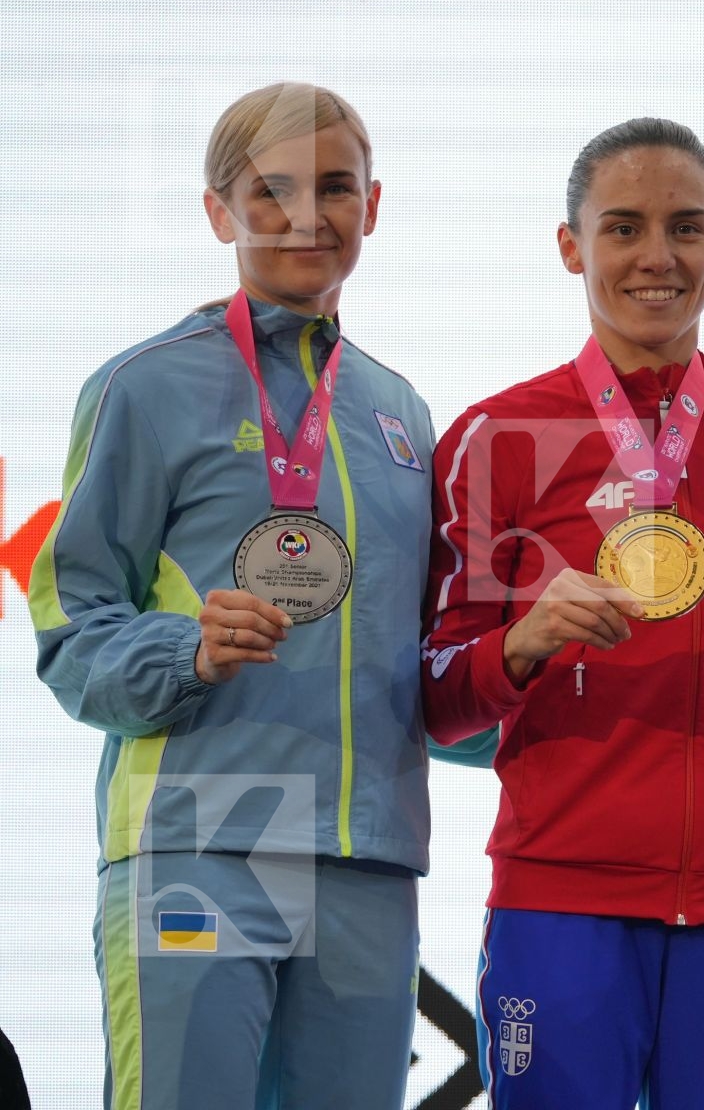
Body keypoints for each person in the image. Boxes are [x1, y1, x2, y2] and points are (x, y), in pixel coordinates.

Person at [31, 82, 437, 1107]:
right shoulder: (144, 385)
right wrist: (188, 652)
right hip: (198, 838)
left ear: (373, 206)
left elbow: (418, 656)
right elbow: (70, 626)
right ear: (220, 212)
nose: (308, 215)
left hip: (366, 857)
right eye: (272, 190)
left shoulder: (400, 413)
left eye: (335, 187)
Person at [421, 118, 704, 1109]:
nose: (657, 256)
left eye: (686, 227)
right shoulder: (498, 435)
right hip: (562, 895)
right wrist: (522, 644)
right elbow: (434, 699)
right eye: (624, 227)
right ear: (571, 247)